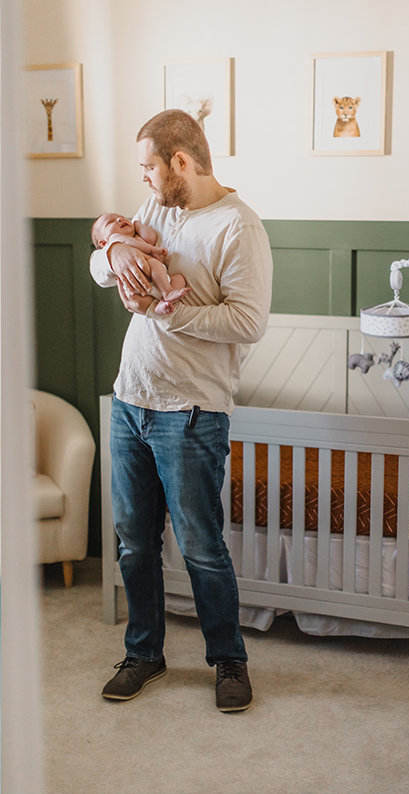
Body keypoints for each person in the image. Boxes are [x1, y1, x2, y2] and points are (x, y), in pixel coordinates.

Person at [89, 109, 273, 713]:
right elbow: (99, 265)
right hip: (130, 400)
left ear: (182, 163)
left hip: (191, 411)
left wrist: (170, 309)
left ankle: (228, 660)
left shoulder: (238, 228)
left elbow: (248, 322)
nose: (143, 180)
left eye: (149, 167)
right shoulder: (157, 210)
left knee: (200, 546)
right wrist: (114, 252)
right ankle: (145, 651)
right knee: (134, 543)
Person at [90, 212, 190, 314]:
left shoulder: (137, 236)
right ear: (103, 243)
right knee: (154, 263)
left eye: (122, 217)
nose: (120, 219)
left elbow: (151, 238)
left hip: (157, 279)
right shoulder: (114, 239)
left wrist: (138, 225)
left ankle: (162, 303)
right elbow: (130, 243)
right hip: (140, 279)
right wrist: (151, 250)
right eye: (110, 222)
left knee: (179, 278)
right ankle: (167, 292)